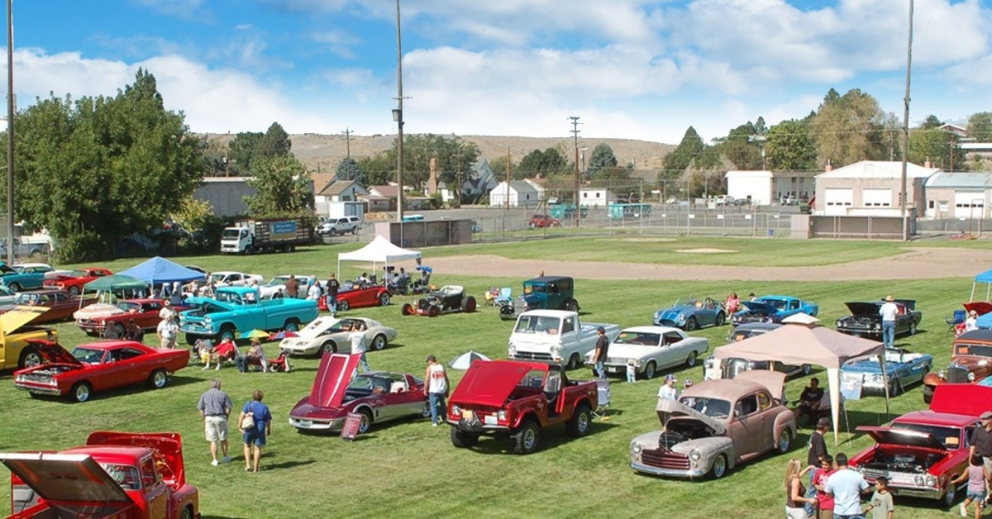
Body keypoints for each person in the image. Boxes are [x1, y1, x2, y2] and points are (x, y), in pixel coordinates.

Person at [197, 379, 233, 466]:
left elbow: (200, 408)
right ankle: (225, 457)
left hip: (209, 418)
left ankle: (215, 460)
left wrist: (204, 417)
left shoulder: (204, 395)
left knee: (213, 440)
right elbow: (229, 407)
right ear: (218, 385)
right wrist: (226, 417)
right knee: (223, 438)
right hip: (220, 417)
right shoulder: (223, 394)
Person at [824, 453, 870, 519]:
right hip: (855, 510)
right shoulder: (857, 475)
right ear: (847, 462)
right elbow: (867, 490)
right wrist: (859, 492)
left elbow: (827, 492)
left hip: (839, 511)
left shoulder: (832, 477)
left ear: (836, 464)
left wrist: (834, 495)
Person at [238, 389, 272, 473]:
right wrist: (268, 429)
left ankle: (248, 465)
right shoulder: (264, 407)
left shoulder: (248, 405)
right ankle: (256, 468)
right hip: (260, 428)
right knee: (257, 448)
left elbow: (242, 415)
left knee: (247, 445)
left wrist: (239, 426)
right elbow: (268, 421)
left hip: (249, 427)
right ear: (261, 398)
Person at [808, 417, 831, 514]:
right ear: (825, 427)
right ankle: (809, 512)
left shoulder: (814, 435)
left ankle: (812, 510)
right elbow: (821, 456)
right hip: (816, 468)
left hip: (812, 467)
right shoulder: (819, 439)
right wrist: (829, 464)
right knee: (813, 491)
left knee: (812, 489)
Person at [424, 355, 449, 426]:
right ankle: (444, 418)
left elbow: (427, 379)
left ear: (430, 361)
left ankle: (434, 421)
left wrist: (425, 389)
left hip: (433, 390)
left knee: (433, 405)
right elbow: (446, 378)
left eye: (428, 361)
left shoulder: (430, 368)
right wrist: (448, 388)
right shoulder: (441, 367)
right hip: (441, 389)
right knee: (442, 404)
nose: (428, 363)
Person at [969, 411, 992, 483]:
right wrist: (970, 459)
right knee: (977, 479)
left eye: (984, 419)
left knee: (988, 479)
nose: (982, 421)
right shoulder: (977, 431)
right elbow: (972, 446)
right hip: (977, 458)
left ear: (990, 420)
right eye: (982, 419)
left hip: (988, 459)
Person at [813, 454, 837, 519]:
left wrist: (828, 489)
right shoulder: (819, 471)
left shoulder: (834, 473)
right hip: (820, 501)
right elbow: (814, 483)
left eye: (826, 465)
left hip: (830, 501)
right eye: (822, 464)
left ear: (831, 465)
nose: (823, 466)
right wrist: (817, 486)